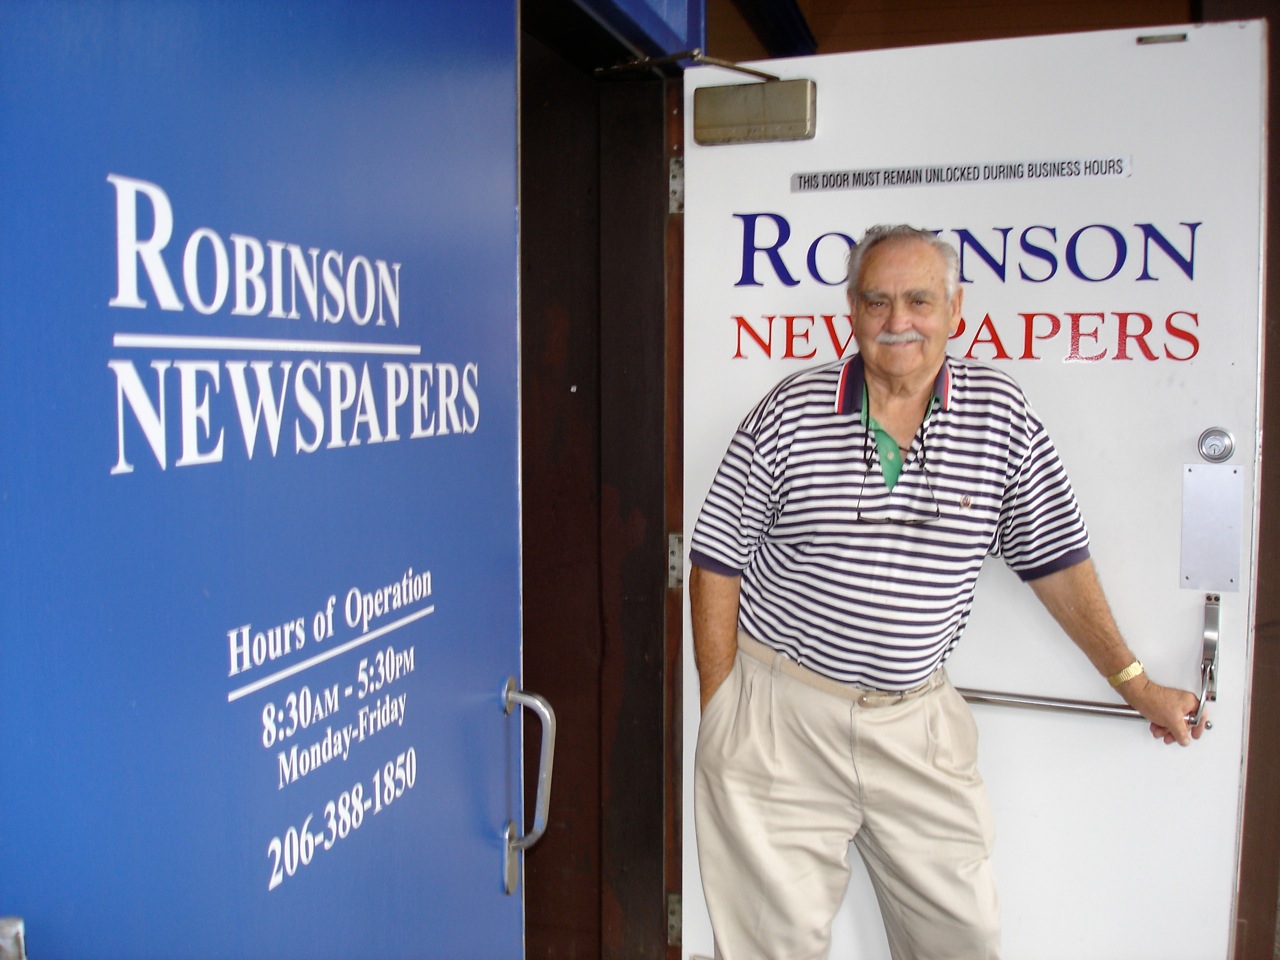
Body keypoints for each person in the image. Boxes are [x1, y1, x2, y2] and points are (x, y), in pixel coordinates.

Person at [688, 224, 1206, 960]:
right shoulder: (790, 411)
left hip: (916, 724)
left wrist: (1136, 685)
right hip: (782, 721)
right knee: (767, 949)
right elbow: (715, 559)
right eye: (878, 302)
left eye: (919, 301)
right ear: (851, 312)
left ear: (955, 310)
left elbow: (1057, 563)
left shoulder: (1000, 417)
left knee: (963, 938)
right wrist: (722, 713)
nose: (898, 321)